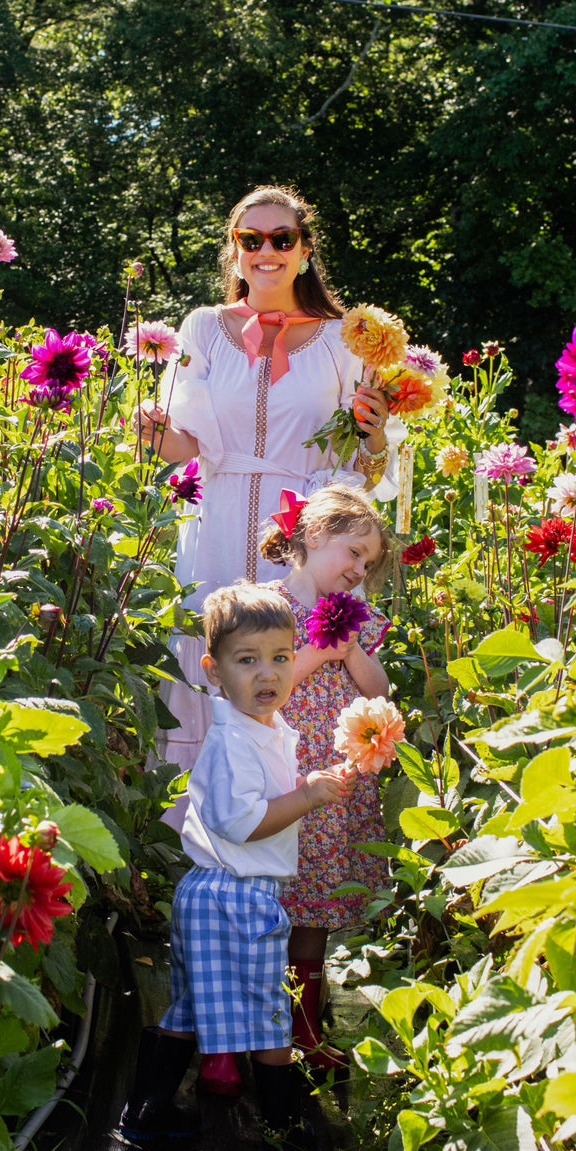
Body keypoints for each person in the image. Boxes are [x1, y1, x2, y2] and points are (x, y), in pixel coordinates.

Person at [138, 184, 401, 810]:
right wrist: (150, 430)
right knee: (214, 660)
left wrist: (376, 434)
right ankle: (198, 837)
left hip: (310, 537)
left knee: (308, 670)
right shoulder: (201, 327)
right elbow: (181, 447)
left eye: (281, 239)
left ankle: (312, 847)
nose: (266, 251)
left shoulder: (347, 340)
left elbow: (362, 470)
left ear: (304, 250)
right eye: (250, 239)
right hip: (220, 522)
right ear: (234, 251)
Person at [117, 583, 352, 1151]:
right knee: (270, 1008)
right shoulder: (231, 740)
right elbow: (242, 822)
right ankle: (284, 1117)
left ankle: (145, 1111)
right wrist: (308, 797)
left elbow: (258, 801)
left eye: (279, 658)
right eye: (247, 660)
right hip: (234, 893)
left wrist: (300, 786)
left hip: (224, 892)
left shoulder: (263, 730)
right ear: (213, 670)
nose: (266, 674)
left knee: (198, 1003)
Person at [259, 483, 391, 1070]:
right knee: (268, 904)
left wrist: (353, 650)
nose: (360, 568)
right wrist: (322, 647)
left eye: (369, 562)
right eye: (353, 553)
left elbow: (379, 690)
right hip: (282, 774)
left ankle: (305, 1031)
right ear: (314, 537)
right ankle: (255, 1027)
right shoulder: (267, 608)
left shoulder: (363, 620)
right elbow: (266, 688)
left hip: (333, 781)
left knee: (315, 911)